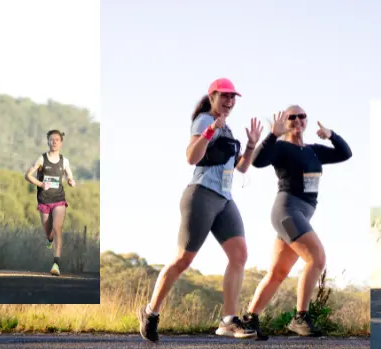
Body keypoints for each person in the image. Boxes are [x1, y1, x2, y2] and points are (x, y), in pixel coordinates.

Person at [140, 78, 265, 342]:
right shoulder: (204, 121)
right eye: (225, 96)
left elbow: (240, 168)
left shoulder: (227, 128)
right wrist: (210, 132)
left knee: (239, 255)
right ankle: (151, 312)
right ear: (212, 96)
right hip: (201, 196)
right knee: (183, 260)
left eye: (233, 97)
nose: (229, 101)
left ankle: (229, 320)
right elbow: (191, 158)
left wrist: (252, 144)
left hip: (224, 199)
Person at [241, 105, 352, 338]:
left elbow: (345, 153)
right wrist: (272, 134)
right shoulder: (281, 147)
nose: (298, 120)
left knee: (278, 272)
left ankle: (249, 320)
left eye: (302, 116)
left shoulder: (313, 151)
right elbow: (257, 161)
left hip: (302, 214)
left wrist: (331, 135)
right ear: (285, 122)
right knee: (316, 258)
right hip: (287, 214)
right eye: (292, 117)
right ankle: (300, 317)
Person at [25, 129, 78, 276]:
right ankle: (49, 239)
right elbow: (28, 175)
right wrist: (41, 184)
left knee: (57, 228)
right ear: (48, 141)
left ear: (61, 143)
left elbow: (70, 176)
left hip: (59, 199)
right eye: (51, 140)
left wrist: (71, 181)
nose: (54, 142)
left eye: (57, 140)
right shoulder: (42, 159)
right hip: (44, 200)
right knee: (48, 232)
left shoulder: (64, 161)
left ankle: (56, 264)